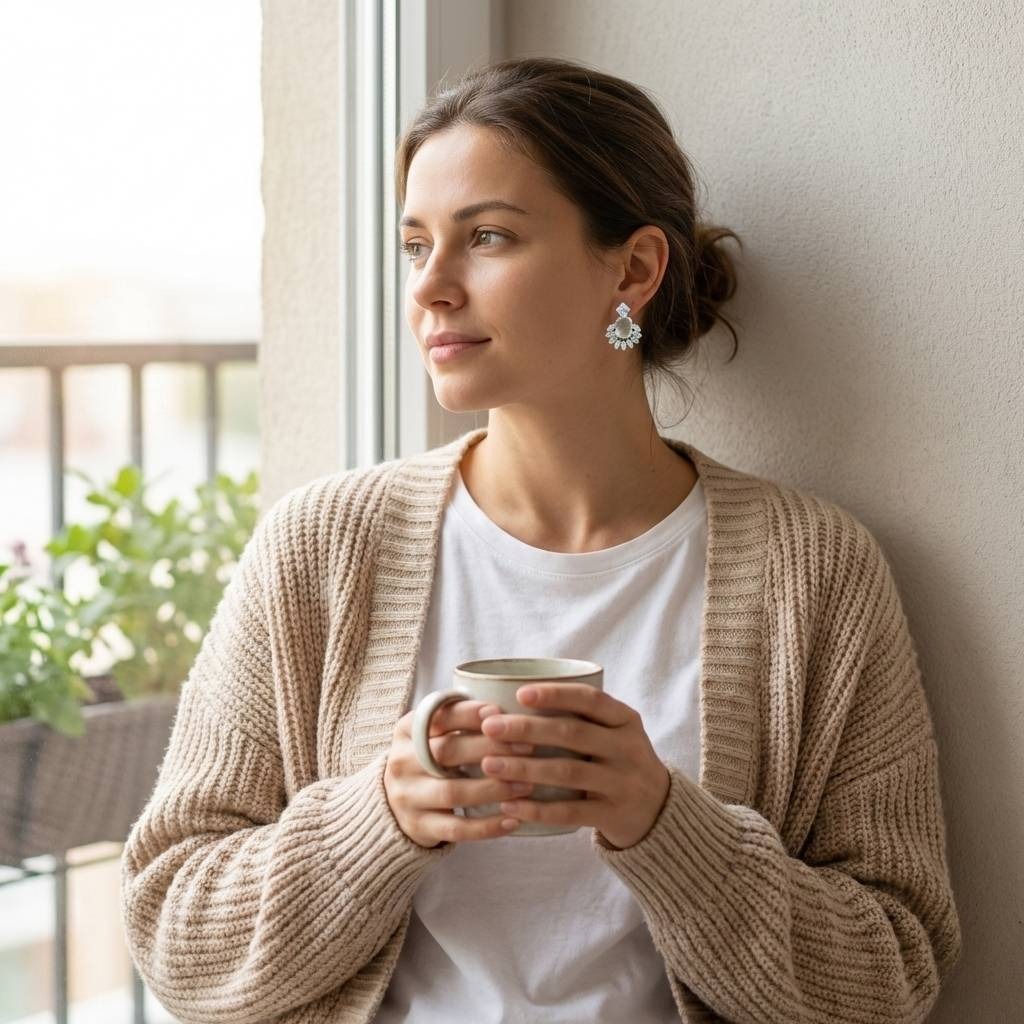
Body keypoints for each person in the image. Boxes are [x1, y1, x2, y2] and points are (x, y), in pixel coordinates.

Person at [120, 56, 962, 1023]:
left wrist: (663, 822)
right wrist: (379, 817)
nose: (431, 288)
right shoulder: (322, 547)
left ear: (634, 269)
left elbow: (891, 973)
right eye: (413, 245)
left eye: (486, 237)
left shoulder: (815, 572)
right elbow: (172, 934)